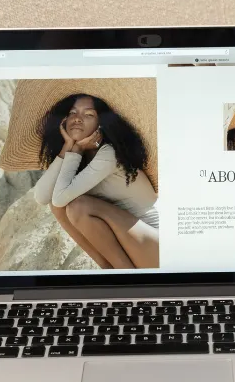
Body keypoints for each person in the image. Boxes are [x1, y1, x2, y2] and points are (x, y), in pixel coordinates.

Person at [33, 93, 159, 269]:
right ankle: (109, 270)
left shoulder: (109, 153)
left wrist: (75, 150)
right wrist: (67, 149)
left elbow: (60, 197)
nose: (77, 119)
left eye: (89, 114)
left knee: (79, 206)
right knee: (60, 208)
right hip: (134, 247)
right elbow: (42, 197)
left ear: (101, 125)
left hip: (158, 247)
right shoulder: (78, 159)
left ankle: (124, 275)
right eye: (72, 113)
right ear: (63, 121)